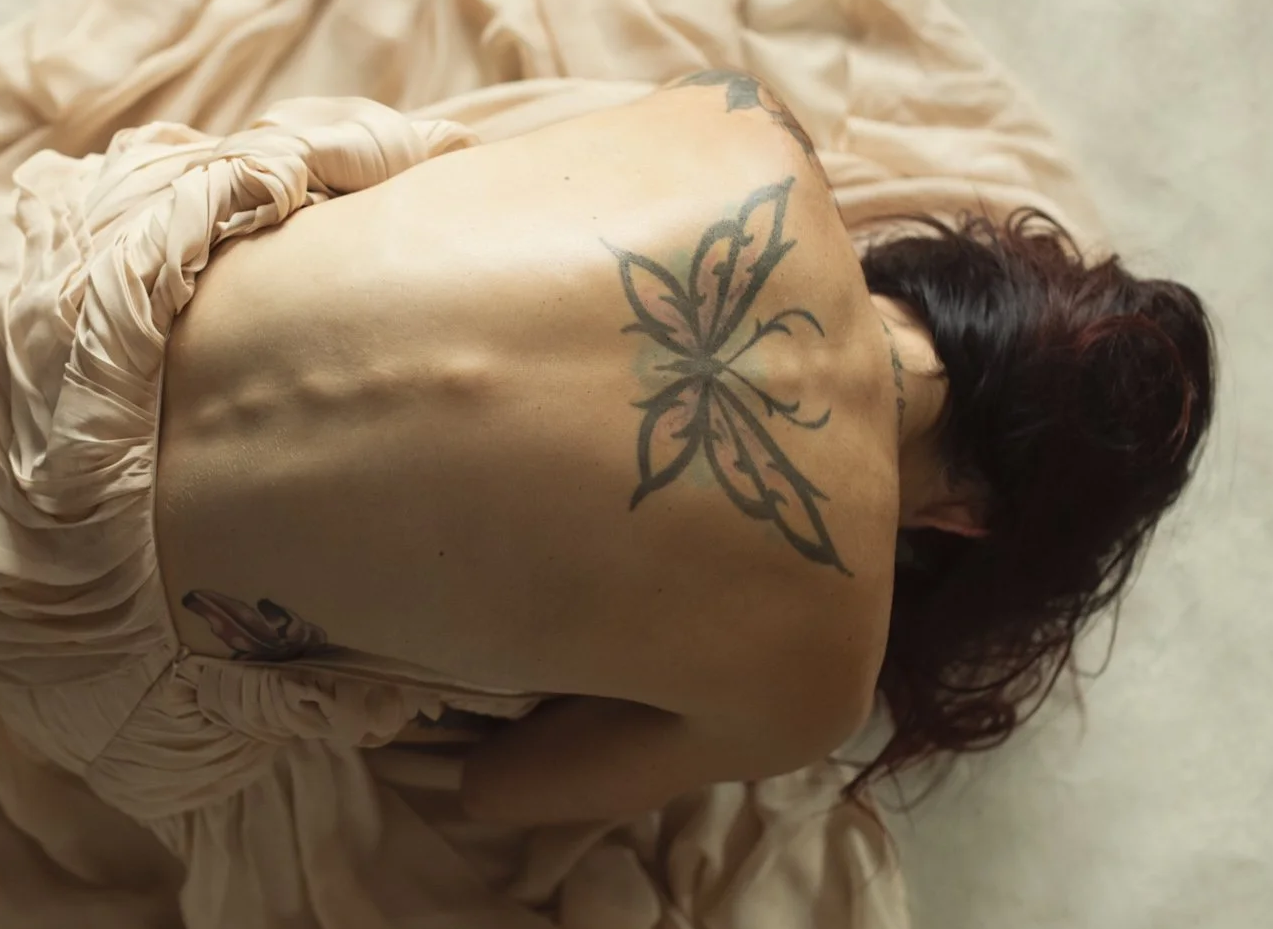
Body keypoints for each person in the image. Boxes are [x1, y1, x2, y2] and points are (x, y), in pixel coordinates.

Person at [141, 69, 1217, 824]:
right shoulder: (819, 685)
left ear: (975, 286)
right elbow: (497, 794)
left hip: (101, 276)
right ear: (973, 523)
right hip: (68, 596)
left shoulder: (745, 120)